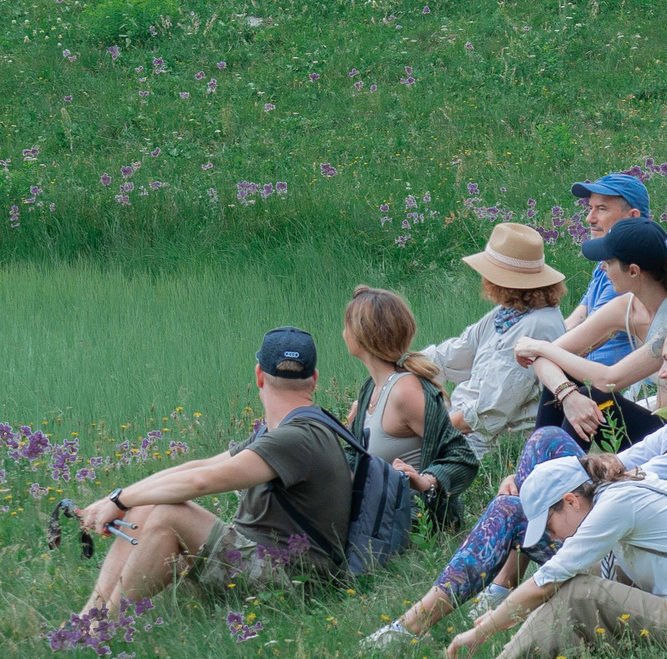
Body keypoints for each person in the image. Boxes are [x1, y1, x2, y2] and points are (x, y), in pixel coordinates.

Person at [365, 316, 667, 651]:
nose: (661, 371)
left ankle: (420, 622)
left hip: (657, 571)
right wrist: (538, 481)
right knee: (545, 443)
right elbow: (620, 462)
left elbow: (629, 482)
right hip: (638, 547)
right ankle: (497, 589)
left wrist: (548, 484)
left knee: (509, 511)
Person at [72, 328, 354, 615]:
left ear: (258, 375)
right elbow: (200, 466)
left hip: (292, 585)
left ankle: (100, 630)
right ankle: (86, 620)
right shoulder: (283, 432)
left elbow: (201, 481)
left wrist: (120, 500)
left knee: (170, 515)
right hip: (263, 564)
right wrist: (121, 498)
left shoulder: (296, 438)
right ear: (314, 379)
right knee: (146, 507)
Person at [441, 453, 667, 659]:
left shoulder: (616, 504)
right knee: (579, 583)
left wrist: (483, 630)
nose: (552, 537)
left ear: (570, 501)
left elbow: (549, 579)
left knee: (579, 592)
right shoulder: (622, 490)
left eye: (549, 525)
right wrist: (505, 617)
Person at [514, 219, 667, 451]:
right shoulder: (627, 307)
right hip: (658, 421)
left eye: (609, 261)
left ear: (633, 271)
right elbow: (544, 361)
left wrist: (542, 347)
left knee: (597, 398)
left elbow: (609, 380)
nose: (602, 267)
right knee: (568, 383)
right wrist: (568, 396)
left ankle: (552, 477)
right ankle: (536, 472)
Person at [420, 223, 572, 459]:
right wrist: (397, 370)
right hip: (464, 426)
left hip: (490, 446)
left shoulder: (537, 325)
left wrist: (426, 431)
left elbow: (488, 413)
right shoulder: (510, 312)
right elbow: (455, 354)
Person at [342, 286, 480, 535]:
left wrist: (427, 480)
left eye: (347, 325)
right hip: (376, 519)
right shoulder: (371, 388)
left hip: (415, 526)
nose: (343, 333)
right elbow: (354, 461)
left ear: (363, 334)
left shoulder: (406, 391)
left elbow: (462, 457)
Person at [562, 171, 654, 367]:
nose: (589, 218)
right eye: (590, 208)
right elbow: (578, 316)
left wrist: (538, 348)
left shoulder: (630, 270)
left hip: (608, 384)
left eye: (601, 209)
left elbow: (583, 339)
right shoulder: (607, 260)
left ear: (633, 217)